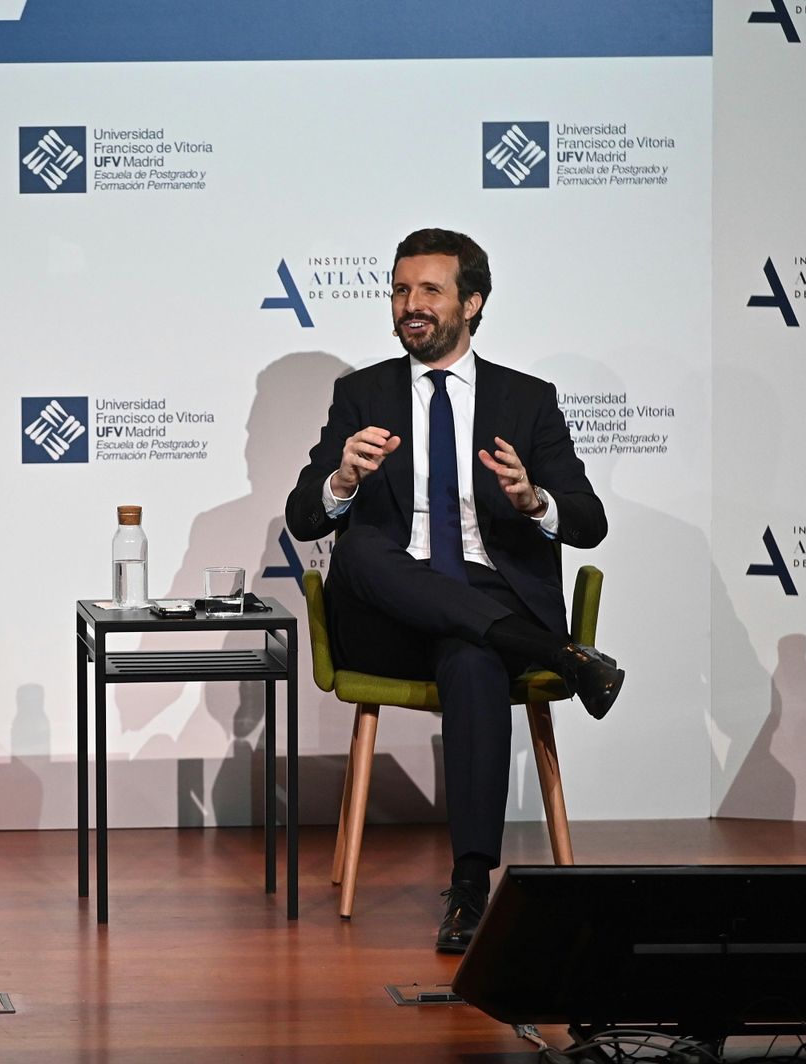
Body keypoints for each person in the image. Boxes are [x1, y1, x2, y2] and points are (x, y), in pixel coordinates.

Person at [284, 229, 623, 953]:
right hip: (386, 614)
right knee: (362, 554)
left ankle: (469, 888)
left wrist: (535, 501)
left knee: (474, 660)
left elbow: (589, 523)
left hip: (483, 602)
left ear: (471, 302)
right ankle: (560, 654)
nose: (411, 306)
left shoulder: (526, 402)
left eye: (430, 291)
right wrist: (342, 480)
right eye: (401, 291)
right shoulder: (362, 394)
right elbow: (304, 515)